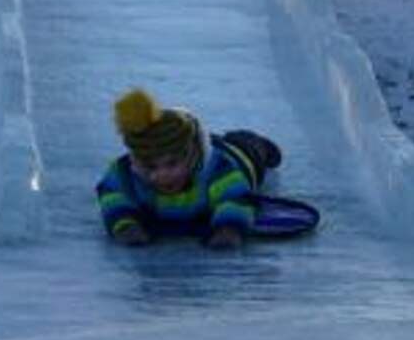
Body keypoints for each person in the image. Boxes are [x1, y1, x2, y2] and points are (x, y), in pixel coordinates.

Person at [96, 88, 282, 249]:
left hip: (239, 156)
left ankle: (259, 145)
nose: (162, 175)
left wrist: (229, 228)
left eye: (172, 164)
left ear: (192, 157)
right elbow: (113, 196)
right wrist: (125, 224)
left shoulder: (217, 169)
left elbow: (235, 198)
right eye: (150, 166)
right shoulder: (126, 172)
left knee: (248, 148)